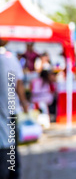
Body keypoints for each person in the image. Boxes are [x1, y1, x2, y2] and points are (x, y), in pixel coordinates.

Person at [0, 39, 29, 179]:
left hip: (8, 111)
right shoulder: (9, 59)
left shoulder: (8, 59)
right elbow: (19, 84)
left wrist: (23, 103)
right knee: (10, 147)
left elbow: (18, 83)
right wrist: (24, 103)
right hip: (9, 111)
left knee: (8, 147)